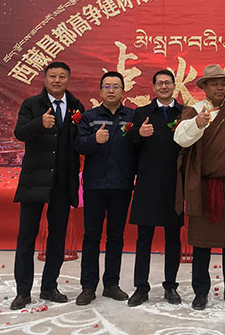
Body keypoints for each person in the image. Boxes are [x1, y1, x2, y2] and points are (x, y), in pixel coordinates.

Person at [173, 64, 225, 311]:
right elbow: (180, 138)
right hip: (203, 186)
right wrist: (197, 123)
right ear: (204, 87)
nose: (220, 88)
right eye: (214, 83)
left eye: (223, 83)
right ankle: (200, 292)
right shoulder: (195, 111)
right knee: (202, 243)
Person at [10, 61, 85, 310]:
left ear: (68, 79)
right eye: (53, 76)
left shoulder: (76, 107)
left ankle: (49, 287)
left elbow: (79, 141)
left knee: (57, 238)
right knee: (26, 237)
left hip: (63, 182)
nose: (57, 80)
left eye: (62, 76)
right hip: (35, 180)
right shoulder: (31, 104)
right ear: (45, 78)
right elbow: (20, 133)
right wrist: (38, 124)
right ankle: (23, 291)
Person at [74, 71, 137, 305]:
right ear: (100, 91)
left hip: (121, 185)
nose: (111, 90)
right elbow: (79, 145)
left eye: (116, 86)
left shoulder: (132, 117)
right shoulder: (89, 117)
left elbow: (139, 146)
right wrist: (94, 140)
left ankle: (111, 284)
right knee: (91, 236)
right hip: (95, 185)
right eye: (107, 86)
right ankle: (88, 287)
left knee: (116, 237)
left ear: (123, 91)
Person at [127, 69, 184, 307]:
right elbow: (130, 142)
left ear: (174, 86)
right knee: (144, 238)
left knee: (173, 237)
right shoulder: (142, 113)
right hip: (148, 182)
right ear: (153, 87)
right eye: (159, 83)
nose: (163, 86)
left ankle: (170, 286)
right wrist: (139, 134)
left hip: (175, 183)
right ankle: (141, 287)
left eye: (167, 83)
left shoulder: (184, 113)